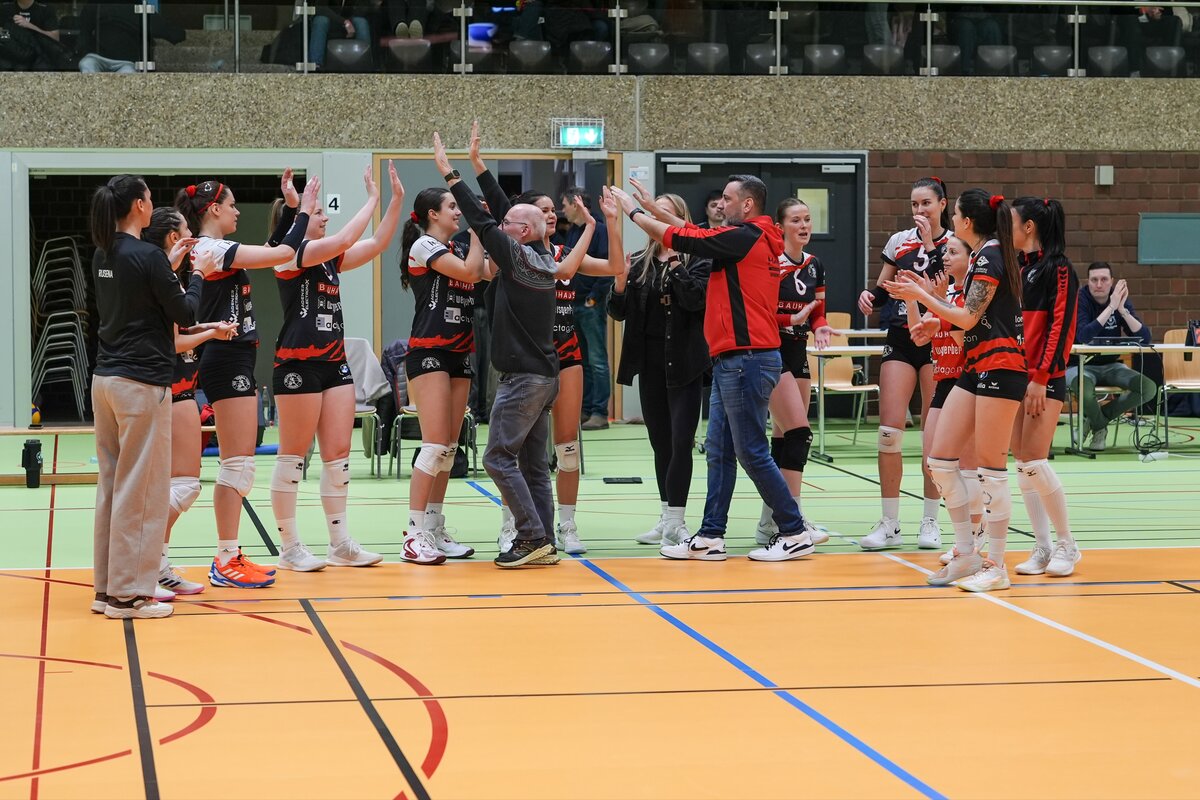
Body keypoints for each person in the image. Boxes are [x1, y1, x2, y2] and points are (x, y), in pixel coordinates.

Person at [611, 175, 817, 563]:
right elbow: (692, 232)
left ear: (747, 205)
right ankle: (710, 536)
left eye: (727, 198)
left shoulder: (746, 236)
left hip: (748, 358)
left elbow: (682, 238)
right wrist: (654, 209)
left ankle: (794, 530)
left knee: (751, 451)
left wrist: (634, 212)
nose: (720, 204)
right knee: (719, 452)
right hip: (730, 360)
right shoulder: (745, 237)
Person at [435, 130, 594, 567]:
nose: (499, 226)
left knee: (496, 457)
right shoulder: (540, 258)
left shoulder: (519, 258)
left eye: (508, 226)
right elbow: (501, 214)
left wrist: (450, 174)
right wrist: (479, 165)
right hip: (543, 376)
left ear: (522, 233)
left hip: (524, 379)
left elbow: (484, 221)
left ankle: (529, 535)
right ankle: (544, 542)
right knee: (533, 465)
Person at [468, 121, 624, 556]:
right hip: (529, 355)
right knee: (518, 451)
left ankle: (563, 525)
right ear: (527, 222)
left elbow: (615, 268)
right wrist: (477, 165)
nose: (552, 213)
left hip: (560, 356)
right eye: (543, 209)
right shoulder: (521, 257)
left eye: (554, 208)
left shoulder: (564, 255)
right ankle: (517, 526)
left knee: (563, 447)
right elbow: (493, 230)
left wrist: (610, 224)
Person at [176, 175, 317, 589]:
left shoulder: (216, 249)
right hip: (225, 358)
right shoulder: (212, 248)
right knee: (236, 466)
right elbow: (284, 253)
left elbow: (271, 249)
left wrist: (292, 210)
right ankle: (223, 559)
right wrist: (303, 211)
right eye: (233, 204)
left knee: (239, 465)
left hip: (234, 356)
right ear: (214, 209)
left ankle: (228, 555)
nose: (238, 211)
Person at [883, 189, 1027, 593]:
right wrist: (937, 322)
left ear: (966, 221)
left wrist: (922, 296)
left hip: (1002, 366)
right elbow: (967, 318)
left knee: (991, 470)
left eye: (956, 213)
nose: (952, 221)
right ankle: (965, 552)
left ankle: (996, 564)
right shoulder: (982, 256)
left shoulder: (991, 255)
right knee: (940, 460)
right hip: (976, 365)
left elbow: (968, 316)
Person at [89, 174, 215, 619]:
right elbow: (185, 311)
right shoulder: (147, 256)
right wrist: (196, 274)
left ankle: (107, 589)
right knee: (141, 492)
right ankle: (130, 596)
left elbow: (139, 297)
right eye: (148, 197)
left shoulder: (104, 252)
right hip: (142, 385)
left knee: (112, 488)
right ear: (140, 206)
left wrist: (169, 266)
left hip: (105, 381)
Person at [270, 164, 404, 572]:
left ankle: (340, 544)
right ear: (300, 220)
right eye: (318, 213)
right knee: (293, 457)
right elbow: (347, 236)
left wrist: (395, 201)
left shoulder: (330, 260)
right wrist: (371, 200)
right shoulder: (290, 256)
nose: (325, 217)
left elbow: (377, 243)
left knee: (339, 456)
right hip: (297, 364)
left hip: (334, 363)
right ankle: (290, 547)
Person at [141, 207, 238, 599]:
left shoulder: (163, 277)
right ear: (173, 239)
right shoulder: (161, 278)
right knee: (184, 486)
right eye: (187, 233)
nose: (194, 239)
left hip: (176, 387)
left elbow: (179, 329)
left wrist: (210, 327)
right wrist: (208, 336)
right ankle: (146, 562)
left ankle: (157, 565)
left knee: (175, 485)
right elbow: (173, 343)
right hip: (170, 386)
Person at [609, 190, 711, 547]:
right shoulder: (640, 261)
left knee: (682, 441)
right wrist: (620, 282)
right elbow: (618, 312)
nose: (656, 220)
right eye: (653, 213)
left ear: (679, 220)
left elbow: (695, 300)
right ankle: (666, 516)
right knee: (660, 443)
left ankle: (677, 521)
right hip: (650, 363)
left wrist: (676, 262)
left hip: (685, 362)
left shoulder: (699, 259)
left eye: (664, 214)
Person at [857, 176, 950, 552]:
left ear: (942, 204)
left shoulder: (953, 243)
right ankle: (890, 522)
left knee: (933, 434)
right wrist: (870, 296)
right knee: (888, 432)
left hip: (937, 337)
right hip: (900, 335)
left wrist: (929, 244)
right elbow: (884, 287)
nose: (919, 210)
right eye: (914, 204)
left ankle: (930, 519)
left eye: (926, 203)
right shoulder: (899, 240)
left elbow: (948, 284)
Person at [396, 180, 486, 565]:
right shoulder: (424, 245)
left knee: (448, 449)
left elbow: (488, 271)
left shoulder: (458, 247)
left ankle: (433, 527)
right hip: (429, 351)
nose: (458, 211)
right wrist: (481, 228)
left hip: (459, 352)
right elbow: (471, 272)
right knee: (433, 446)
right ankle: (413, 534)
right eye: (452, 206)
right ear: (433, 214)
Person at [904, 235, 987, 575]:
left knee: (968, 467)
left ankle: (973, 536)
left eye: (954, 252)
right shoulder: (944, 294)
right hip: (943, 381)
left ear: (971, 258)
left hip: (967, 381)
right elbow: (918, 335)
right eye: (945, 252)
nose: (946, 257)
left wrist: (934, 302)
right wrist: (913, 299)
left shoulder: (972, 297)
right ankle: (967, 535)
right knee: (933, 463)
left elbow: (966, 339)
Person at [755, 197, 834, 547]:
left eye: (807, 219)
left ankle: (769, 520)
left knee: (786, 436)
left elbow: (818, 309)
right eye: (796, 220)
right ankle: (793, 518)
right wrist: (790, 318)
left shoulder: (815, 265)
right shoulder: (771, 264)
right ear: (780, 227)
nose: (803, 226)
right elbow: (760, 313)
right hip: (773, 350)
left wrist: (820, 325)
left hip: (798, 350)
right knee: (798, 433)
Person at [1009, 196, 1081, 577]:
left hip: (1044, 378)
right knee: (1022, 465)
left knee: (1035, 461)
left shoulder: (1060, 269)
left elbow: (1061, 326)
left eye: (1012, 222)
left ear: (1029, 227)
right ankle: (1042, 547)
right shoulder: (1018, 268)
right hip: (1015, 377)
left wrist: (1040, 377)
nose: (1007, 230)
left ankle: (1068, 544)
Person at [1067, 261, 1156, 452]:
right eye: (1094, 280)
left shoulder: (1119, 299)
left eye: (1104, 279)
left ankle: (1093, 421)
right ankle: (1100, 428)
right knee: (1083, 388)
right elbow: (1083, 336)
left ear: (1111, 281)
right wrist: (1111, 308)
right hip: (1079, 365)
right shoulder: (1080, 299)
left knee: (1148, 388)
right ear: (1088, 282)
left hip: (1111, 365)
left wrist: (1122, 309)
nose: (1099, 284)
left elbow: (1145, 337)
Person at [561, 187, 613, 431]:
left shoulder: (599, 230)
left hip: (590, 305)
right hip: (574, 303)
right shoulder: (573, 231)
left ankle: (600, 412)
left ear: (576, 204)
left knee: (597, 360)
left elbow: (608, 267)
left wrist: (593, 298)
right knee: (583, 361)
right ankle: (585, 408)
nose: (562, 211)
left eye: (564, 205)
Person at [78, 0, 184, 73]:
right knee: (87, 63)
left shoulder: (139, 7)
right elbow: (83, 32)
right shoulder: (96, 4)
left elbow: (174, 33)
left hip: (126, 62)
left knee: (128, 72)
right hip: (98, 57)